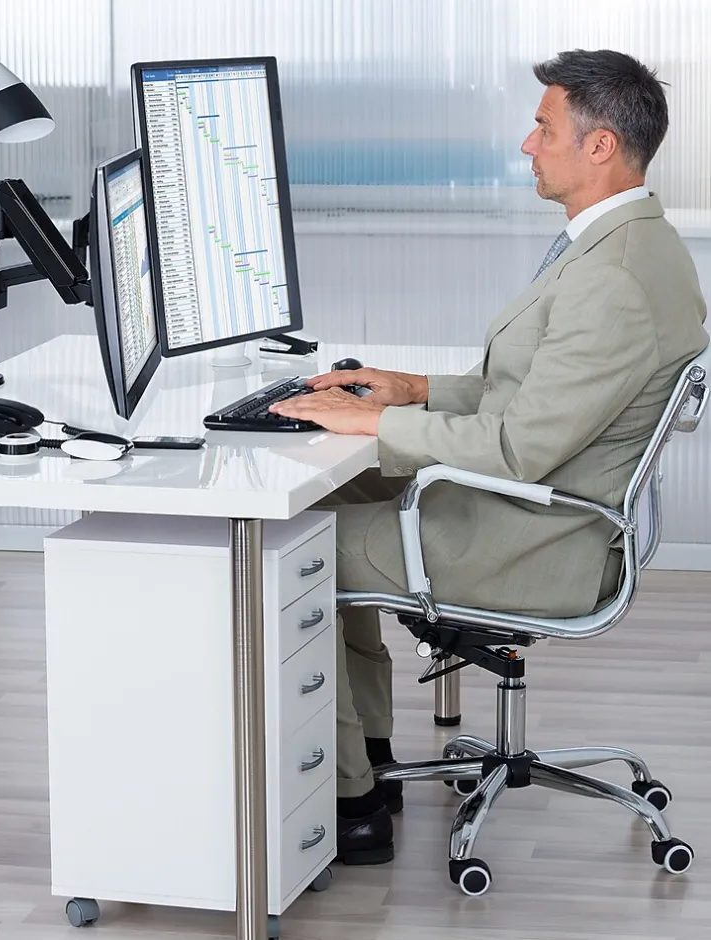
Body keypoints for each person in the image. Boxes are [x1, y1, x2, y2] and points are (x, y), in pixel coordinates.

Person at [270, 49, 709, 866]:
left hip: (533, 540)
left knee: (291, 549)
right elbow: (532, 392)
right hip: (541, 509)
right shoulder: (632, 243)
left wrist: (372, 424)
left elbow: (517, 446)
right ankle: (367, 759)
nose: (526, 145)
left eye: (544, 128)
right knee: (325, 503)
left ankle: (352, 803)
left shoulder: (615, 278)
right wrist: (412, 390)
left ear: (601, 145)